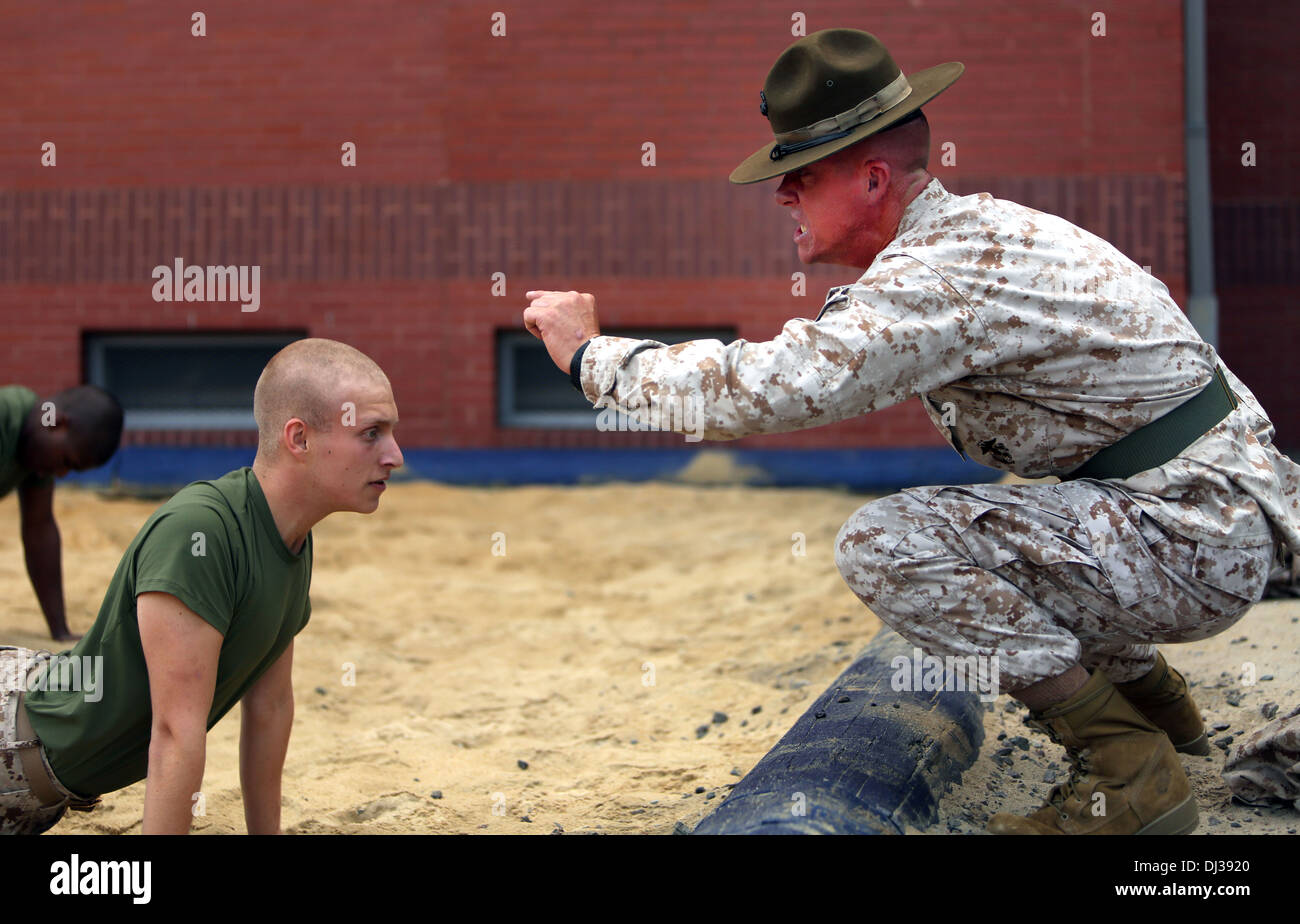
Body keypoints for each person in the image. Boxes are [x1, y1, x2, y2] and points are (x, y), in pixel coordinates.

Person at [522, 28, 1300, 835]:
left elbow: (757, 392)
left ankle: (1127, 771)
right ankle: (1162, 717)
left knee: (888, 543)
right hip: (1221, 516)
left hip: (1191, 541)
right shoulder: (985, 234)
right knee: (1009, 527)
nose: (782, 194)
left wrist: (591, 357)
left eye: (801, 175)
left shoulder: (933, 278)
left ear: (871, 178)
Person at [0, 338, 403, 834]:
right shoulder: (201, 532)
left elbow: (270, 706)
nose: (395, 455)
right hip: (12, 742)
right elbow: (174, 734)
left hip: (40, 780)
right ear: (298, 439)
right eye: (371, 434)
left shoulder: (292, 539)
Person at [0, 384, 123, 641]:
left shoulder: (34, 449)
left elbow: (39, 529)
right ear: (56, 422)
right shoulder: (6, 416)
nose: (61, 473)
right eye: (67, 461)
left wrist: (60, 630)